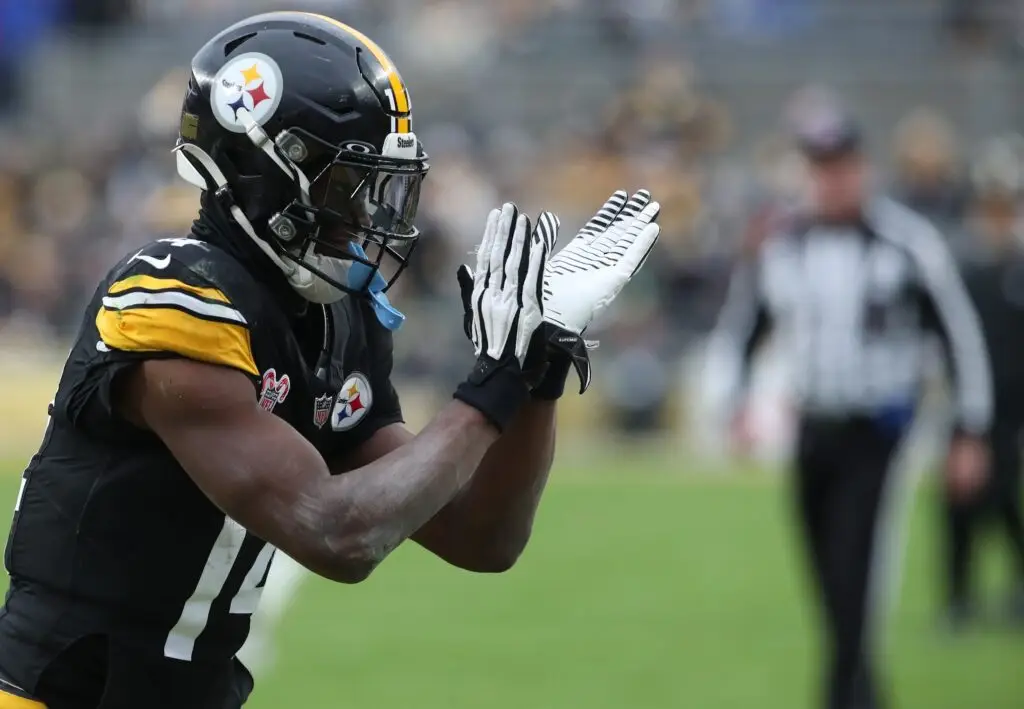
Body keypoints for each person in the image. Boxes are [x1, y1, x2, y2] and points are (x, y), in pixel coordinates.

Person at [0, 12, 661, 708]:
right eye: (348, 184)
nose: (366, 214)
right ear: (264, 169)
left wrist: (536, 366)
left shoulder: (334, 317)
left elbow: (480, 534)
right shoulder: (173, 294)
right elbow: (337, 530)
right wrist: (491, 379)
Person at [708, 108, 992, 709]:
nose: (829, 180)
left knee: (855, 571)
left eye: (839, 166)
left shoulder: (907, 243)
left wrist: (971, 430)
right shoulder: (781, 243)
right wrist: (733, 402)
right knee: (825, 574)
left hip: (879, 431)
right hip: (813, 428)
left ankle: (845, 694)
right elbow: (744, 327)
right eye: (818, 167)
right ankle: (859, 689)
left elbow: (960, 337)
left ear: (861, 168)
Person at [943, 137, 1024, 628]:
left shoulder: (1016, 271)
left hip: (1011, 408)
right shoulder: (962, 269)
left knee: (999, 497)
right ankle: (958, 597)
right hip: (965, 405)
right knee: (958, 504)